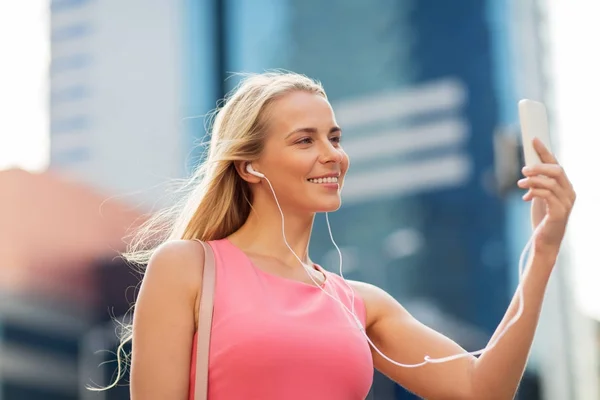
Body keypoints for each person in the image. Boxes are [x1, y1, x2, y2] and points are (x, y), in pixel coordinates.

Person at [125, 71, 575, 399]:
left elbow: (483, 392)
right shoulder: (187, 267)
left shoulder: (361, 303)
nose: (332, 155)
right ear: (249, 165)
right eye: (305, 141)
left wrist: (543, 249)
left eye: (334, 138)